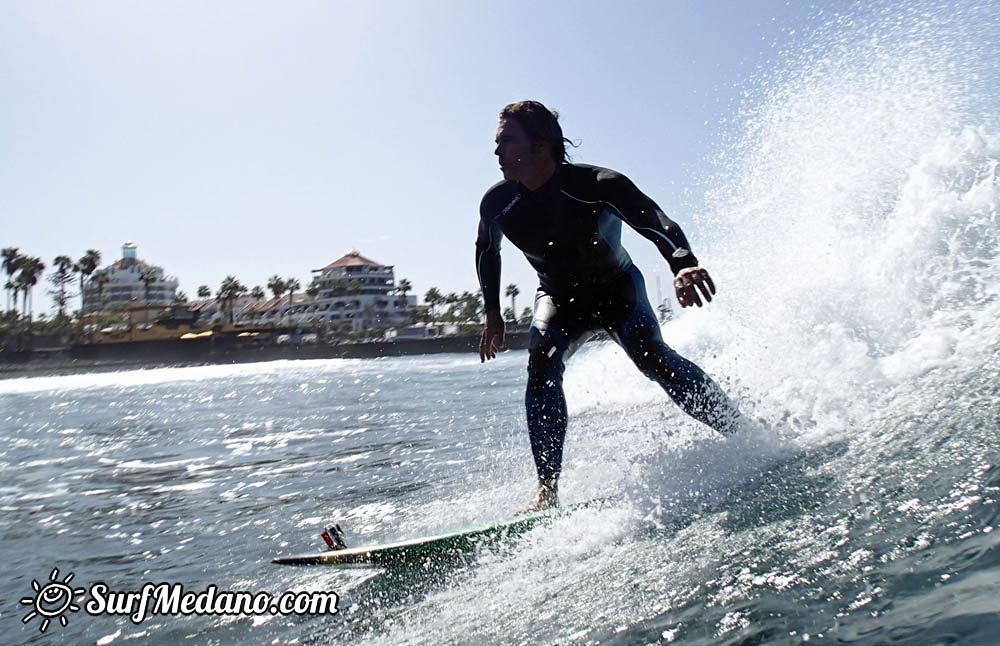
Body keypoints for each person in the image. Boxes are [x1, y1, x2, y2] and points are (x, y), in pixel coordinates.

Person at [476, 100, 744, 512]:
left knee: (654, 358)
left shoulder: (599, 184)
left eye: (506, 141)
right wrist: (493, 314)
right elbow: (486, 251)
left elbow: (655, 219)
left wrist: (684, 263)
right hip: (559, 301)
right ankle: (547, 490)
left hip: (617, 292)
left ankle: (741, 434)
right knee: (541, 363)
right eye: (497, 142)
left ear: (542, 145)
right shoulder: (497, 203)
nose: (496, 151)